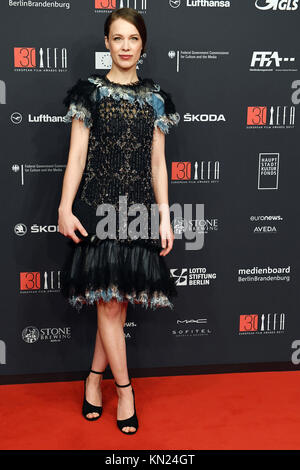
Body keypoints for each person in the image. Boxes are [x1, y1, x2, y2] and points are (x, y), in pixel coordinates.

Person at [58, 7, 180, 435]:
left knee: (117, 301)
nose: (125, 46)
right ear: (106, 43)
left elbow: (158, 165)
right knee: (110, 303)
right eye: (117, 38)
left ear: (142, 45)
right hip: (98, 210)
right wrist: (64, 206)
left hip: (138, 213)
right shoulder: (89, 93)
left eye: (132, 38)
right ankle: (125, 390)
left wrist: (165, 218)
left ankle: (93, 380)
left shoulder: (156, 98)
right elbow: (76, 156)